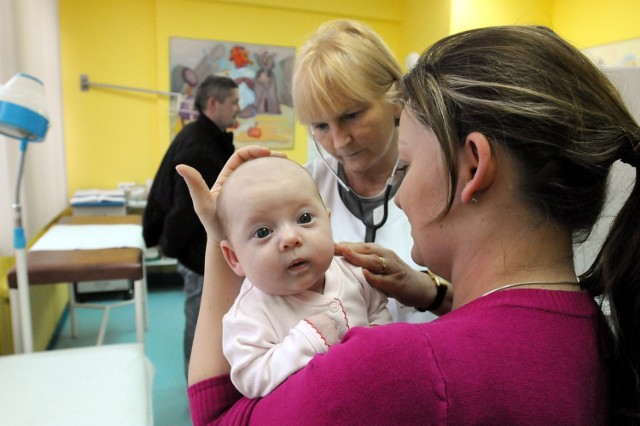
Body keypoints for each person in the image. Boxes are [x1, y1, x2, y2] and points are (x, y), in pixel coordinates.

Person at [180, 24, 640, 424]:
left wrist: (222, 233)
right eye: (321, 126)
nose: (397, 196)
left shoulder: (393, 370)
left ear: (473, 166)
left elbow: (219, 418)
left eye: (408, 165)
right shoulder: (594, 333)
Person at [295, 19, 451, 323]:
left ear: (396, 99)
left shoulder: (448, 181)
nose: (339, 141)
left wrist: (428, 291)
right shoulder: (301, 189)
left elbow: (491, 308)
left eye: (352, 115)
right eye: (321, 126)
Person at [217, 156, 391, 398]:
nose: (290, 238)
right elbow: (251, 378)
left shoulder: (352, 272)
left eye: (305, 219)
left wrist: (377, 340)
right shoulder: (249, 316)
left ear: (329, 223)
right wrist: (307, 342)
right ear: (234, 257)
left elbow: (378, 311)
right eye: (263, 232)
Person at [142, 75, 240, 376]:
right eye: (234, 103)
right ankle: (198, 385)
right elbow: (185, 212)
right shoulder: (201, 147)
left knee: (202, 319)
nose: (239, 109)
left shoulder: (201, 135)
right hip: (197, 255)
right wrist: (170, 246)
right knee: (203, 325)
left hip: (195, 250)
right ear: (214, 103)